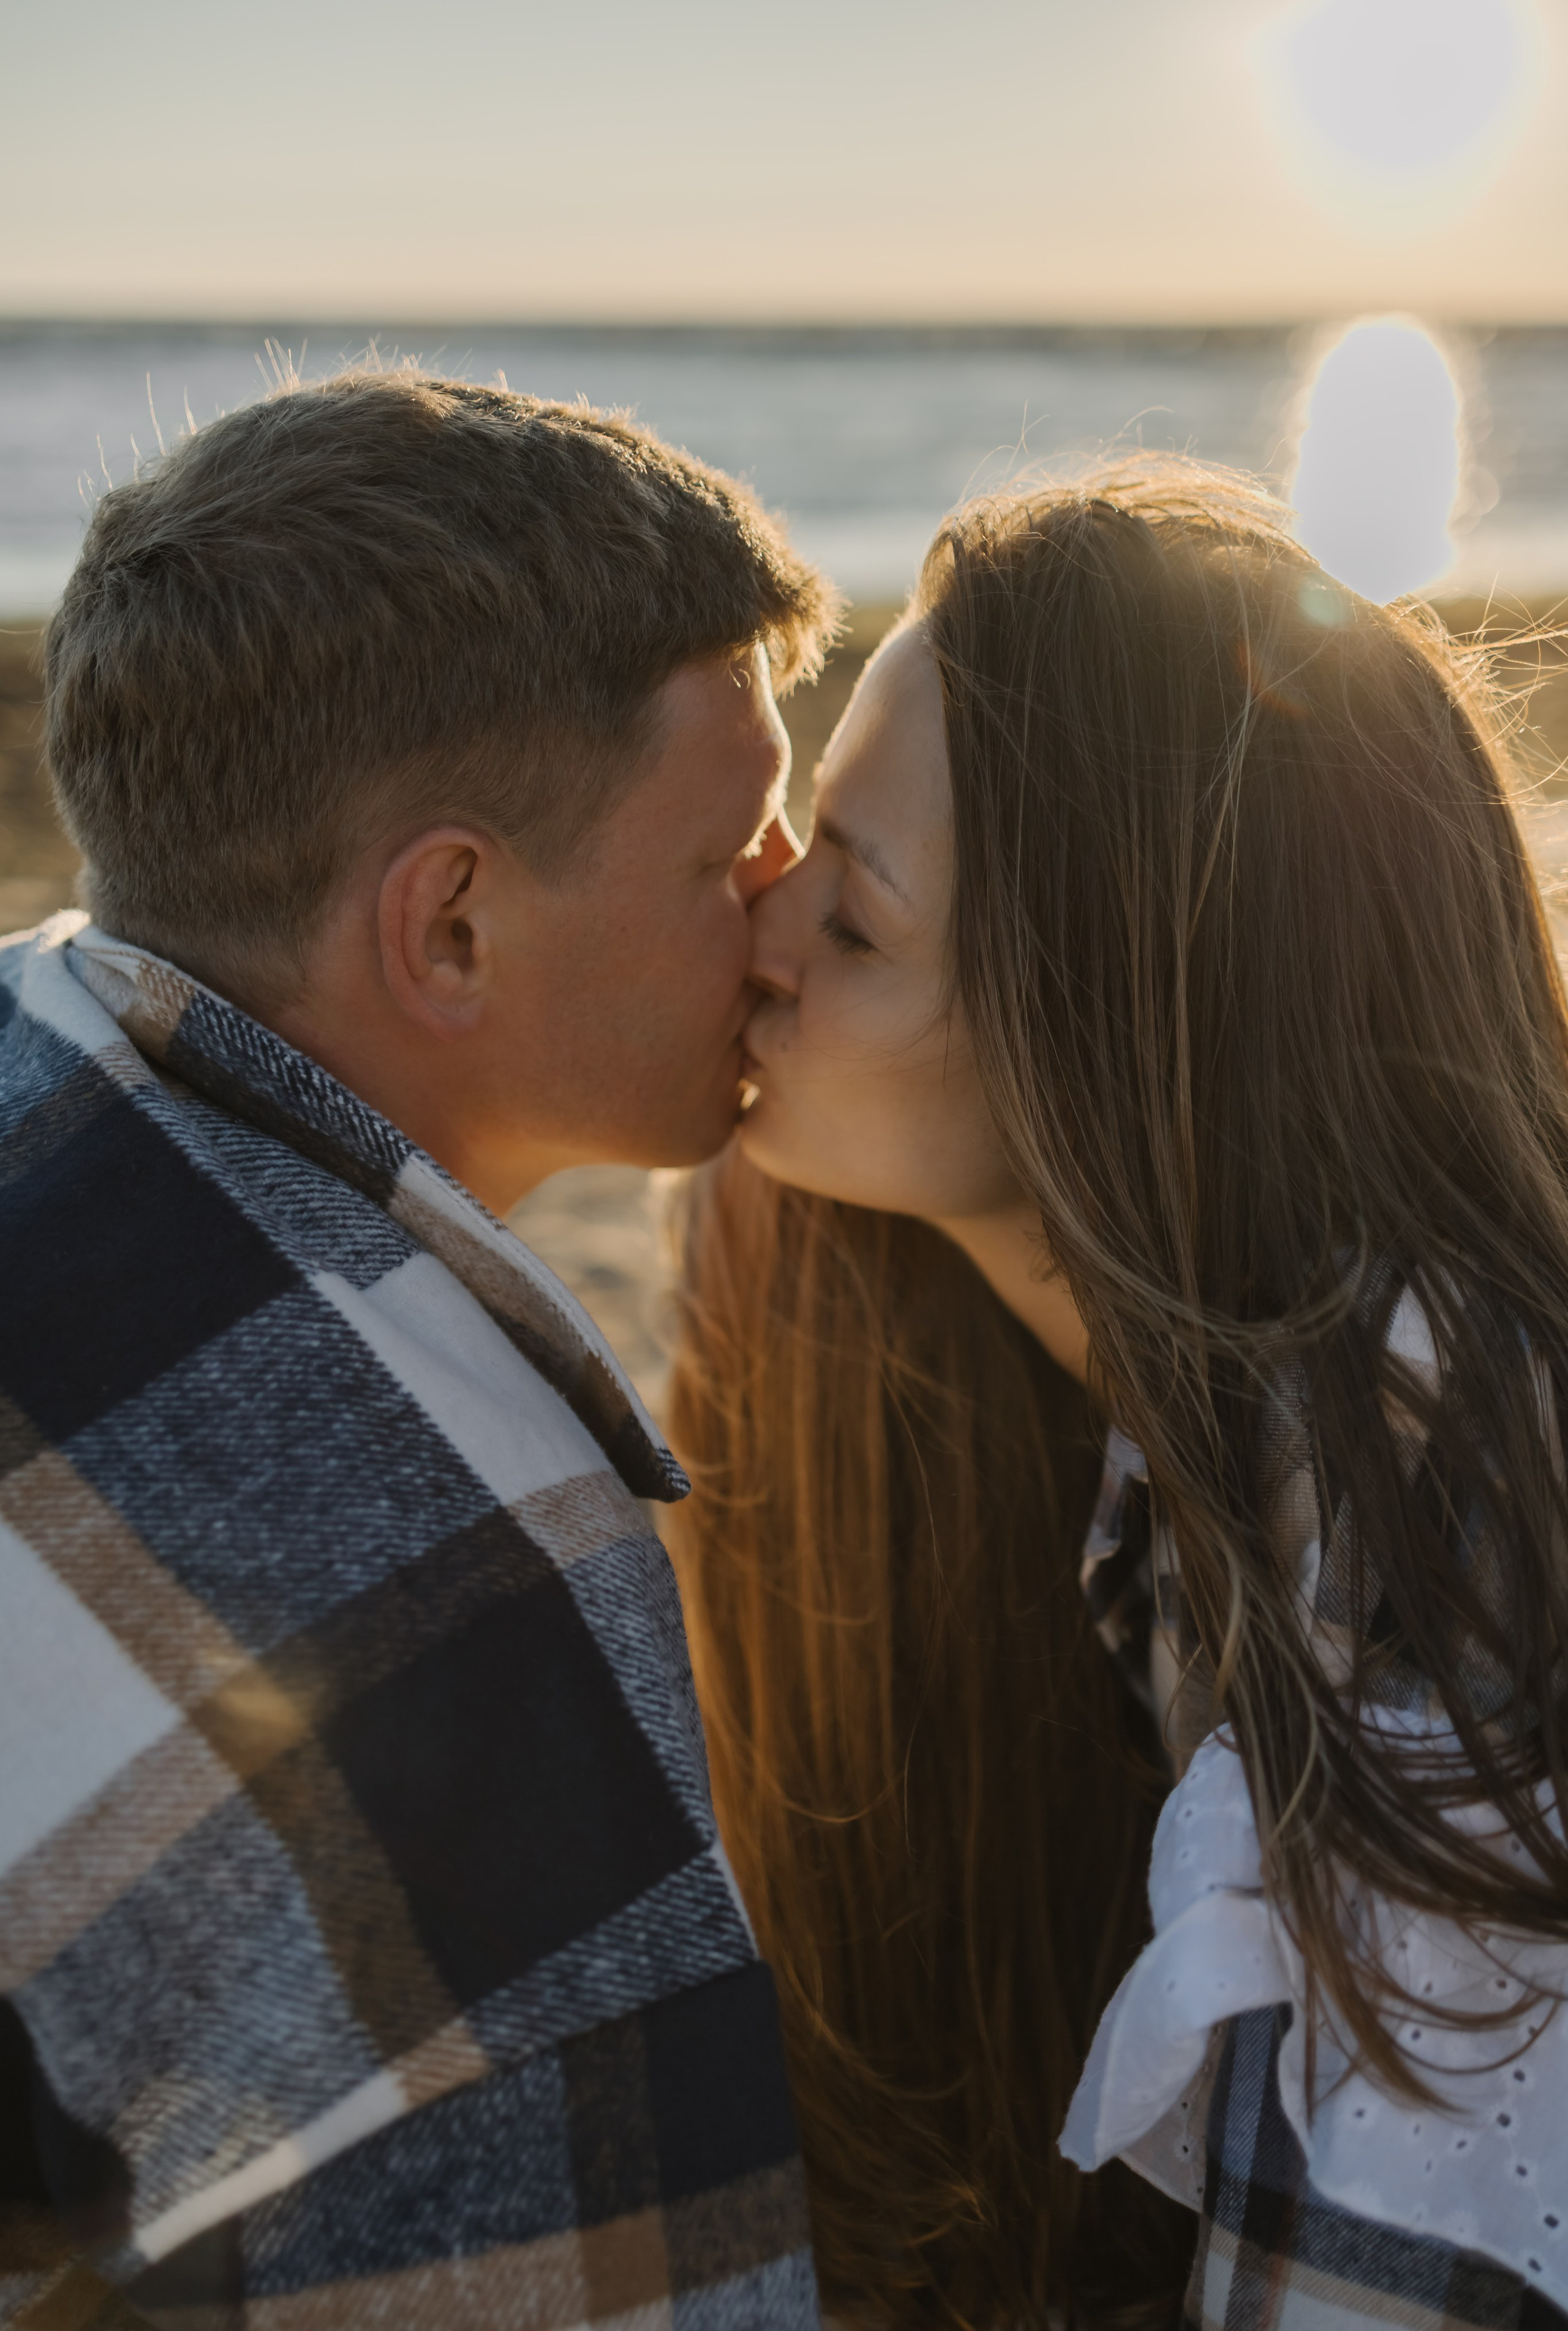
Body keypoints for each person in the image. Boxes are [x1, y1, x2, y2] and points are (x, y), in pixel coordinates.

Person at [665, 456, 1568, 2331]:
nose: (761, 933)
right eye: (806, 843)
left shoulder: (1423, 1476)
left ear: (1114, 1031)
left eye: (856, 920)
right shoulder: (1168, 1454)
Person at [0, 371, 838, 2327]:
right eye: (731, 850)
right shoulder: (451, 1588)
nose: (795, 903)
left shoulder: (40, 1040)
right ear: (451, 925)